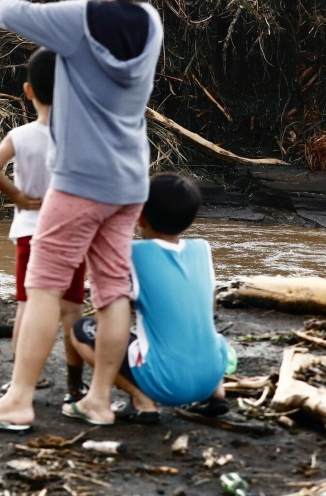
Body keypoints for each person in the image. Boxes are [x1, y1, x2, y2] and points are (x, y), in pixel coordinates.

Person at [0, 0, 168, 432]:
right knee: (112, 289)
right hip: (128, 183)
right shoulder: (150, 20)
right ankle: (99, 400)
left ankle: (18, 400)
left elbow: (9, 13)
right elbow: (103, 21)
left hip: (78, 183)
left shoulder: (78, 22)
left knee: (43, 288)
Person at [69, 174, 231, 424]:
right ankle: (217, 393)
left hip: (166, 383)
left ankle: (143, 401)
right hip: (212, 372)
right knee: (201, 330)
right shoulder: (202, 249)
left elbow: (117, 304)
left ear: (139, 217)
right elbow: (206, 304)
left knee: (81, 330)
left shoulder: (133, 253)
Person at [0, 48, 87, 412]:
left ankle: (23, 378)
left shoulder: (20, 135)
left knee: (27, 304)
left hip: (30, 232)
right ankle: (75, 386)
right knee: (72, 309)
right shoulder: (78, 135)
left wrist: (19, 197)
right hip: (71, 231)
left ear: (28, 91)